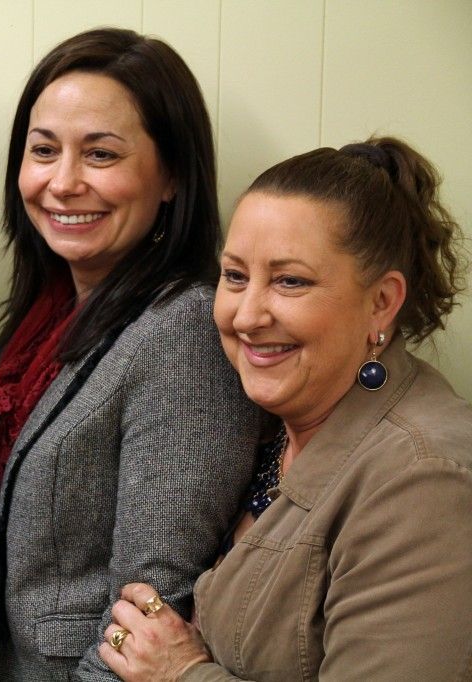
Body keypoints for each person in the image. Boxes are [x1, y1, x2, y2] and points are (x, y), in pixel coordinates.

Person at [101, 137, 472, 680]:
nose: (247, 315)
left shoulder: (424, 480)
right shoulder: (275, 430)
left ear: (382, 301)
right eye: (234, 276)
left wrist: (181, 673)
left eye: (290, 281)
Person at [0, 28, 263, 680]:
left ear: (171, 177)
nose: (63, 182)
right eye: (43, 150)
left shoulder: (183, 331)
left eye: (101, 155)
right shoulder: (46, 317)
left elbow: (152, 603)